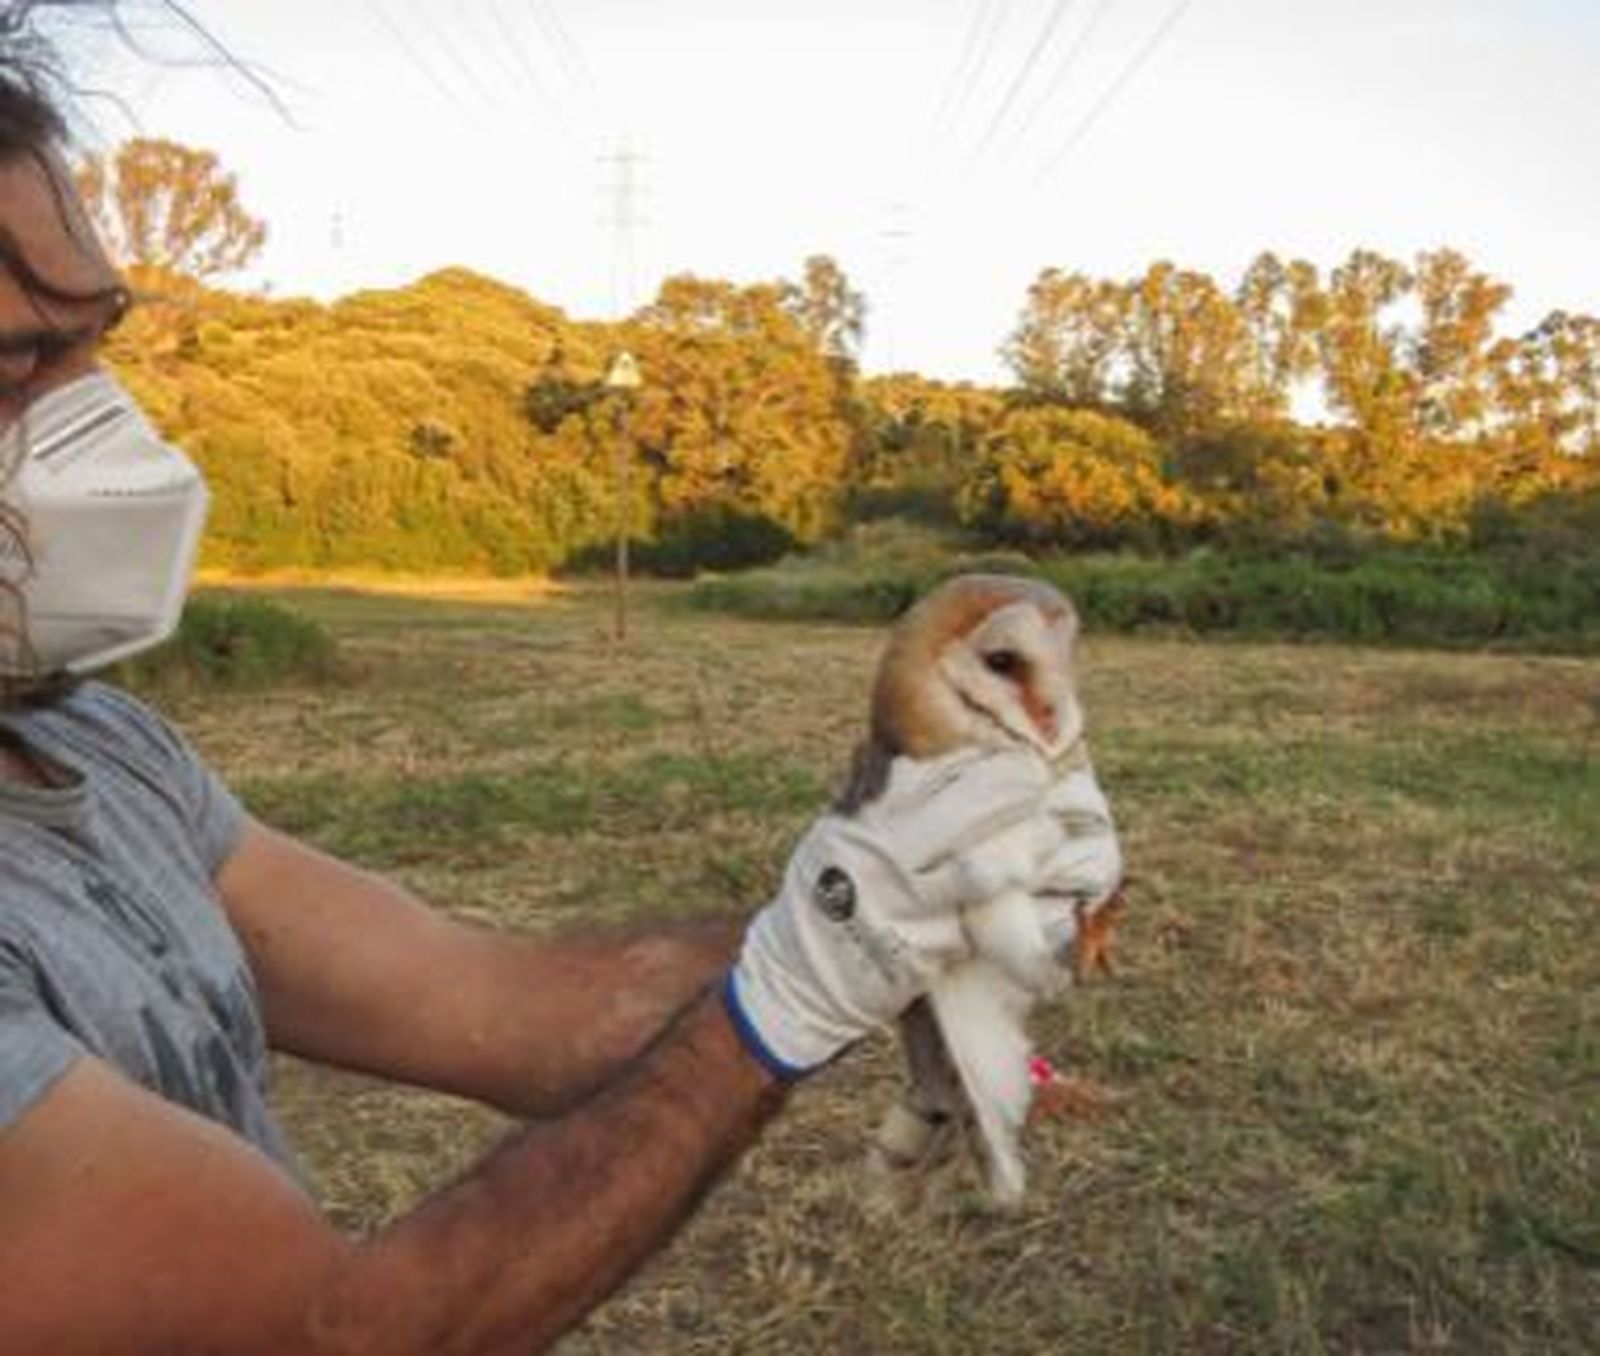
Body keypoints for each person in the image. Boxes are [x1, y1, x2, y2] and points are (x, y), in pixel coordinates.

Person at [0, 12, 1087, 1351]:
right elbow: (341, 1332)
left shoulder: (94, 745)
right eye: (18, 366)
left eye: (95, 342)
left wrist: (881, 909)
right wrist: (783, 1004)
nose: (105, 426)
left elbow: (501, 1006)